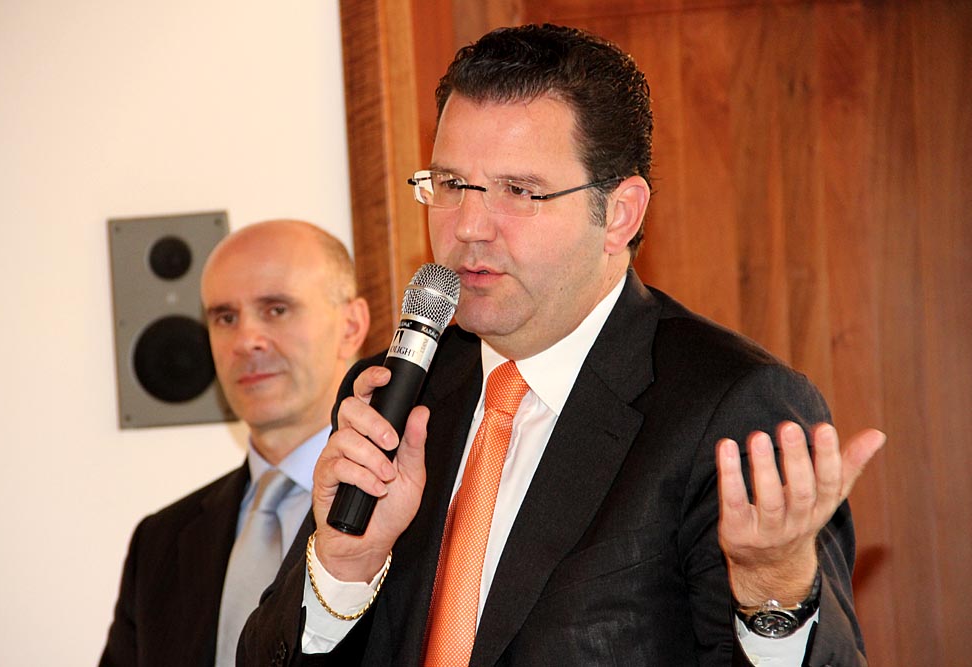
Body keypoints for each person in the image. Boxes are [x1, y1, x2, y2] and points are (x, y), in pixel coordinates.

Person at [237, 25, 885, 666]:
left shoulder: (730, 410)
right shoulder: (396, 393)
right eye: (452, 184)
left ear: (620, 214)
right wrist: (345, 567)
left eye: (519, 191)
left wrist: (772, 594)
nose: (469, 227)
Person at [99, 220, 370, 667]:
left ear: (351, 326)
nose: (246, 341)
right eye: (225, 318)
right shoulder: (159, 543)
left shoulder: (415, 508)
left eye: (276, 309)